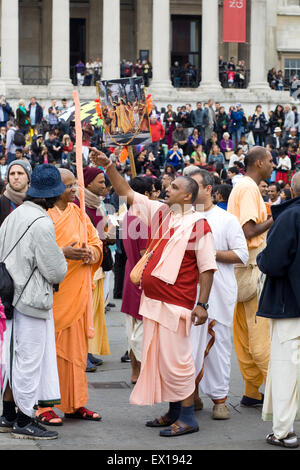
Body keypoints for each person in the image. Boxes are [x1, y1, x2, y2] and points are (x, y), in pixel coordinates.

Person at [89, 147, 217, 438]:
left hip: (177, 304)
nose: (166, 189)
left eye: (173, 187)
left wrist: (203, 305)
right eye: (167, 186)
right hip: (154, 302)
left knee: (178, 361)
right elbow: (127, 193)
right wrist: (109, 165)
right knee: (160, 360)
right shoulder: (162, 214)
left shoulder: (199, 225)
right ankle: (173, 412)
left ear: (188, 196)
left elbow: (207, 268)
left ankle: (187, 417)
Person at [0, 164, 67, 440]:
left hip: (9, 296)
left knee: (13, 357)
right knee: (29, 361)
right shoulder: (41, 222)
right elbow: (55, 270)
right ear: (48, 197)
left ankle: (8, 415)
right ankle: (25, 420)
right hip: (30, 299)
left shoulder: (12, 218)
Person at [36, 169, 103, 425]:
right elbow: (39, 252)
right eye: (68, 186)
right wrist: (65, 254)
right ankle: (45, 406)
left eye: (75, 185)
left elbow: (96, 243)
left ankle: (76, 403)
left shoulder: (78, 213)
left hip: (78, 293)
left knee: (76, 354)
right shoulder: (43, 216)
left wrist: (91, 254)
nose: (74, 190)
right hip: (54, 295)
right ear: (54, 189)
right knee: (51, 353)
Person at [188, 168, 248, 420]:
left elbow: (241, 255)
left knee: (219, 347)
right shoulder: (184, 217)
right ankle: (192, 395)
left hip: (219, 294)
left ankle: (220, 400)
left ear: (209, 189)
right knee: (188, 347)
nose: (189, 191)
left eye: (195, 186)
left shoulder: (227, 220)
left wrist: (209, 254)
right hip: (188, 294)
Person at [227, 146, 274, 408]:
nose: (272, 164)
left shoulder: (242, 186)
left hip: (242, 268)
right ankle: (277, 392)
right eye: (269, 161)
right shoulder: (248, 188)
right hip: (252, 268)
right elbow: (249, 230)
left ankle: (251, 391)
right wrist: (275, 217)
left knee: (244, 333)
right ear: (258, 164)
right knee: (259, 334)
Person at [256, 172, 300, 448]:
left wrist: (261, 257)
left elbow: (273, 262)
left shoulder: (290, 216)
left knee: (286, 369)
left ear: (291, 189)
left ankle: (283, 432)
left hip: (291, 305)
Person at [74, 167, 111, 372]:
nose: (104, 186)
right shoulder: (78, 206)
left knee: (95, 313)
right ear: (87, 183)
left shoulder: (97, 205)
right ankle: (81, 354)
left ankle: (88, 351)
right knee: (84, 313)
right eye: (100, 182)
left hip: (98, 265)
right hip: (86, 267)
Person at [121, 177, 150, 384]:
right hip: (141, 277)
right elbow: (145, 253)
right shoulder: (143, 219)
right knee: (141, 330)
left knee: (132, 328)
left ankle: (135, 372)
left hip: (129, 274)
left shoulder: (128, 216)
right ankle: (142, 373)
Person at [0, 160, 32, 225]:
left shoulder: (38, 201)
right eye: (12, 174)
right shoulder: (1, 202)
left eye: (20, 173)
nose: (16, 177)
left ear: (28, 178)